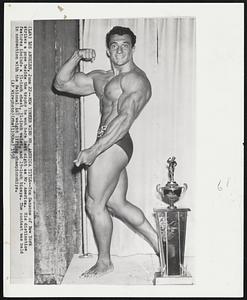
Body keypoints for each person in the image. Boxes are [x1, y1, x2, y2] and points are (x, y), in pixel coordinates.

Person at [54, 26, 159, 278]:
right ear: (107, 50)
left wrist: (94, 149)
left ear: (133, 48)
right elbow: (61, 83)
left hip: (114, 142)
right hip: (109, 143)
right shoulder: (101, 78)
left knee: (93, 203)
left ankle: (104, 262)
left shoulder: (136, 80)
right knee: (116, 203)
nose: (119, 49)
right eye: (114, 45)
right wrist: (77, 56)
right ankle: (163, 247)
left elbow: (125, 119)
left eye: (125, 45)